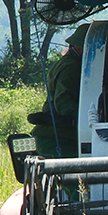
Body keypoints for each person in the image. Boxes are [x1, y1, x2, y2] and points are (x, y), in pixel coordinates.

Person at [29, 23, 89, 157]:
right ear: (80, 48)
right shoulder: (72, 67)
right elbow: (63, 100)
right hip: (59, 138)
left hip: (54, 136)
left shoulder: (67, 62)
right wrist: (83, 121)